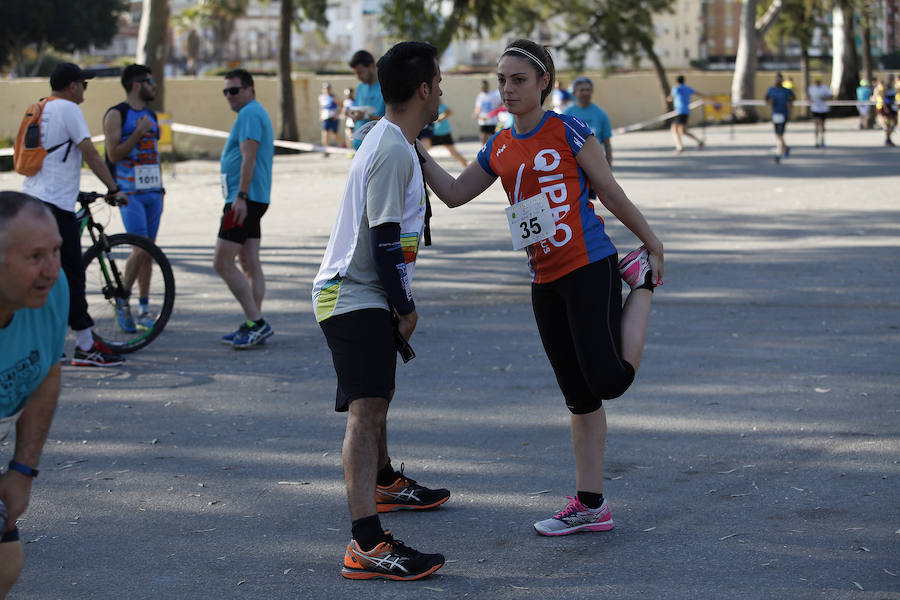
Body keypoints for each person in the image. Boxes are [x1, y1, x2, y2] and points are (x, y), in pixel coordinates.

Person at [416, 39, 663, 538]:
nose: (507, 89)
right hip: (543, 281)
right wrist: (412, 149)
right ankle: (591, 504)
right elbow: (456, 193)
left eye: (519, 80)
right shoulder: (499, 147)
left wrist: (651, 243)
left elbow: (609, 191)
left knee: (608, 381)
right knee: (577, 396)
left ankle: (641, 286)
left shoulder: (568, 128)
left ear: (544, 81)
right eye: (502, 80)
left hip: (590, 264)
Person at [312, 41, 449, 581]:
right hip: (353, 293)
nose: (441, 92)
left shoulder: (391, 140)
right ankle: (366, 543)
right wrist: (404, 305)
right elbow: (385, 237)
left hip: (357, 291)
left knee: (375, 401)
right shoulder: (391, 148)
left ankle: (386, 481)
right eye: (437, 83)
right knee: (365, 412)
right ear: (423, 89)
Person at [21, 62, 128, 367]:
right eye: (84, 84)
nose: (84, 90)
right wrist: (113, 187)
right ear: (72, 86)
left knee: (41, 273)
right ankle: (85, 347)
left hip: (34, 201)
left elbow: (53, 158)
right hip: (53, 206)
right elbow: (90, 152)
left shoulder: (40, 107)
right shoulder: (69, 110)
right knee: (72, 274)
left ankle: (36, 339)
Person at [0, 192, 67, 597]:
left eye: (56, 251)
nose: (52, 270)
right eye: (35, 257)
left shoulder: (49, 295)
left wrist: (22, 471)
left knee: (6, 563)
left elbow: (47, 371)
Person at [215, 69, 275, 348]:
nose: (229, 96)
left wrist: (239, 196)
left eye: (234, 90)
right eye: (226, 91)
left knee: (222, 262)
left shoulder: (250, 113)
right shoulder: (252, 112)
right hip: (253, 197)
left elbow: (249, 156)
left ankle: (256, 322)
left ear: (250, 90)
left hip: (244, 200)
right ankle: (255, 321)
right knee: (249, 261)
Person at [102, 63, 164, 333]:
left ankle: (144, 308)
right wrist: (137, 133)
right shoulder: (117, 114)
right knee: (139, 248)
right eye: (151, 81)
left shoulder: (151, 114)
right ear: (138, 85)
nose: (155, 86)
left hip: (153, 193)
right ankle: (122, 298)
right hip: (131, 194)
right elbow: (112, 154)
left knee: (148, 252)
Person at [564, 76, 613, 167]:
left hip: (597, 164)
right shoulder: (567, 114)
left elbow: (607, 144)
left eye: (588, 90)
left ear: (592, 92)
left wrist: (608, 166)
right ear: (574, 93)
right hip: (574, 165)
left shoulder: (600, 114)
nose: (585, 93)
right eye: (582, 90)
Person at [347, 50, 386, 151]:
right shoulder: (360, 87)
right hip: (359, 149)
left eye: (360, 72)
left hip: (378, 149)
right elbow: (358, 111)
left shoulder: (386, 86)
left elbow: (394, 122)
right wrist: (351, 114)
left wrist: (366, 116)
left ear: (371, 66)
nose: (358, 77)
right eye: (355, 73)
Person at [420, 103, 467, 167]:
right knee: (423, 151)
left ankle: (465, 165)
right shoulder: (426, 106)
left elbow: (449, 112)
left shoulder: (439, 104)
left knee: (453, 152)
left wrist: (439, 118)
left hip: (444, 132)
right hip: (434, 133)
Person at [666, 75, 705, 154]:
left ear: (677, 81)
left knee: (674, 130)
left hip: (679, 111)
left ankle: (680, 147)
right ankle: (699, 141)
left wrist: (668, 99)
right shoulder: (687, 88)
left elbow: (670, 98)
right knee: (682, 131)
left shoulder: (676, 88)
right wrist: (704, 96)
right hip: (686, 111)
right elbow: (697, 93)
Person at [765, 72, 795, 163]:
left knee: (780, 134)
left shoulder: (786, 90)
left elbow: (793, 98)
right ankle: (786, 148)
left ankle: (778, 153)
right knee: (778, 134)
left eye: (780, 79)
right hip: (775, 114)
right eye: (777, 79)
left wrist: (789, 104)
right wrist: (770, 101)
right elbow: (766, 100)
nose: (778, 80)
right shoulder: (771, 90)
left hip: (784, 114)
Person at [473, 79, 503, 144]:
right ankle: (484, 151)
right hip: (483, 120)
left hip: (492, 120)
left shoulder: (493, 94)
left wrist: (495, 113)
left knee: (492, 138)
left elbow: (500, 104)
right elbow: (478, 107)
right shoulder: (480, 96)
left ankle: (492, 151)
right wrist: (476, 114)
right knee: (483, 137)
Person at [807, 77, 831, 148]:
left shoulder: (824, 88)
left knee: (822, 125)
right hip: (815, 109)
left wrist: (824, 98)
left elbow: (830, 96)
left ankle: (822, 138)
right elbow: (809, 97)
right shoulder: (811, 88)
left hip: (823, 109)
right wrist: (810, 100)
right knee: (816, 124)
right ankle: (816, 140)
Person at [319, 82, 341, 155]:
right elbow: (321, 107)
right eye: (325, 89)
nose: (327, 90)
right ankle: (326, 150)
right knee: (325, 134)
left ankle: (343, 145)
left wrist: (337, 115)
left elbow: (340, 106)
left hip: (333, 118)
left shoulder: (334, 97)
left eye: (328, 88)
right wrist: (321, 115)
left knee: (335, 135)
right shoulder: (321, 97)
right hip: (326, 118)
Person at [879, 74, 897, 147]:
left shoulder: (892, 87)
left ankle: (888, 138)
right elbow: (882, 97)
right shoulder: (885, 87)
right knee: (889, 123)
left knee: (894, 123)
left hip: (892, 106)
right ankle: (887, 139)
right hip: (887, 107)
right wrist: (885, 107)